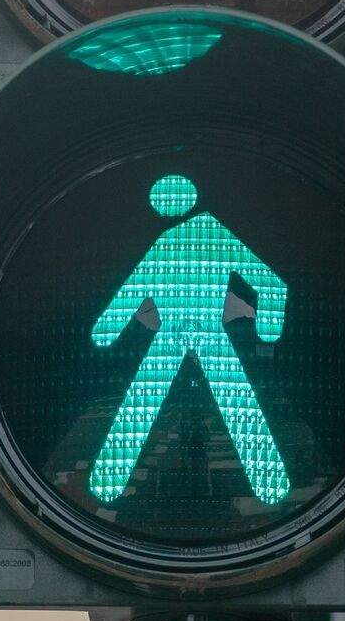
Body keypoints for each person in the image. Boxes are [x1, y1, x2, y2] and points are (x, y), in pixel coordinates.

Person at [89, 173, 292, 505]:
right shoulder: (204, 236)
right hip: (203, 335)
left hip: (179, 336)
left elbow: (132, 292)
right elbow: (270, 282)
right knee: (238, 408)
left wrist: (106, 331)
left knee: (140, 405)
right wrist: (268, 326)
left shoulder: (186, 238)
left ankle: (107, 486)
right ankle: (271, 486)